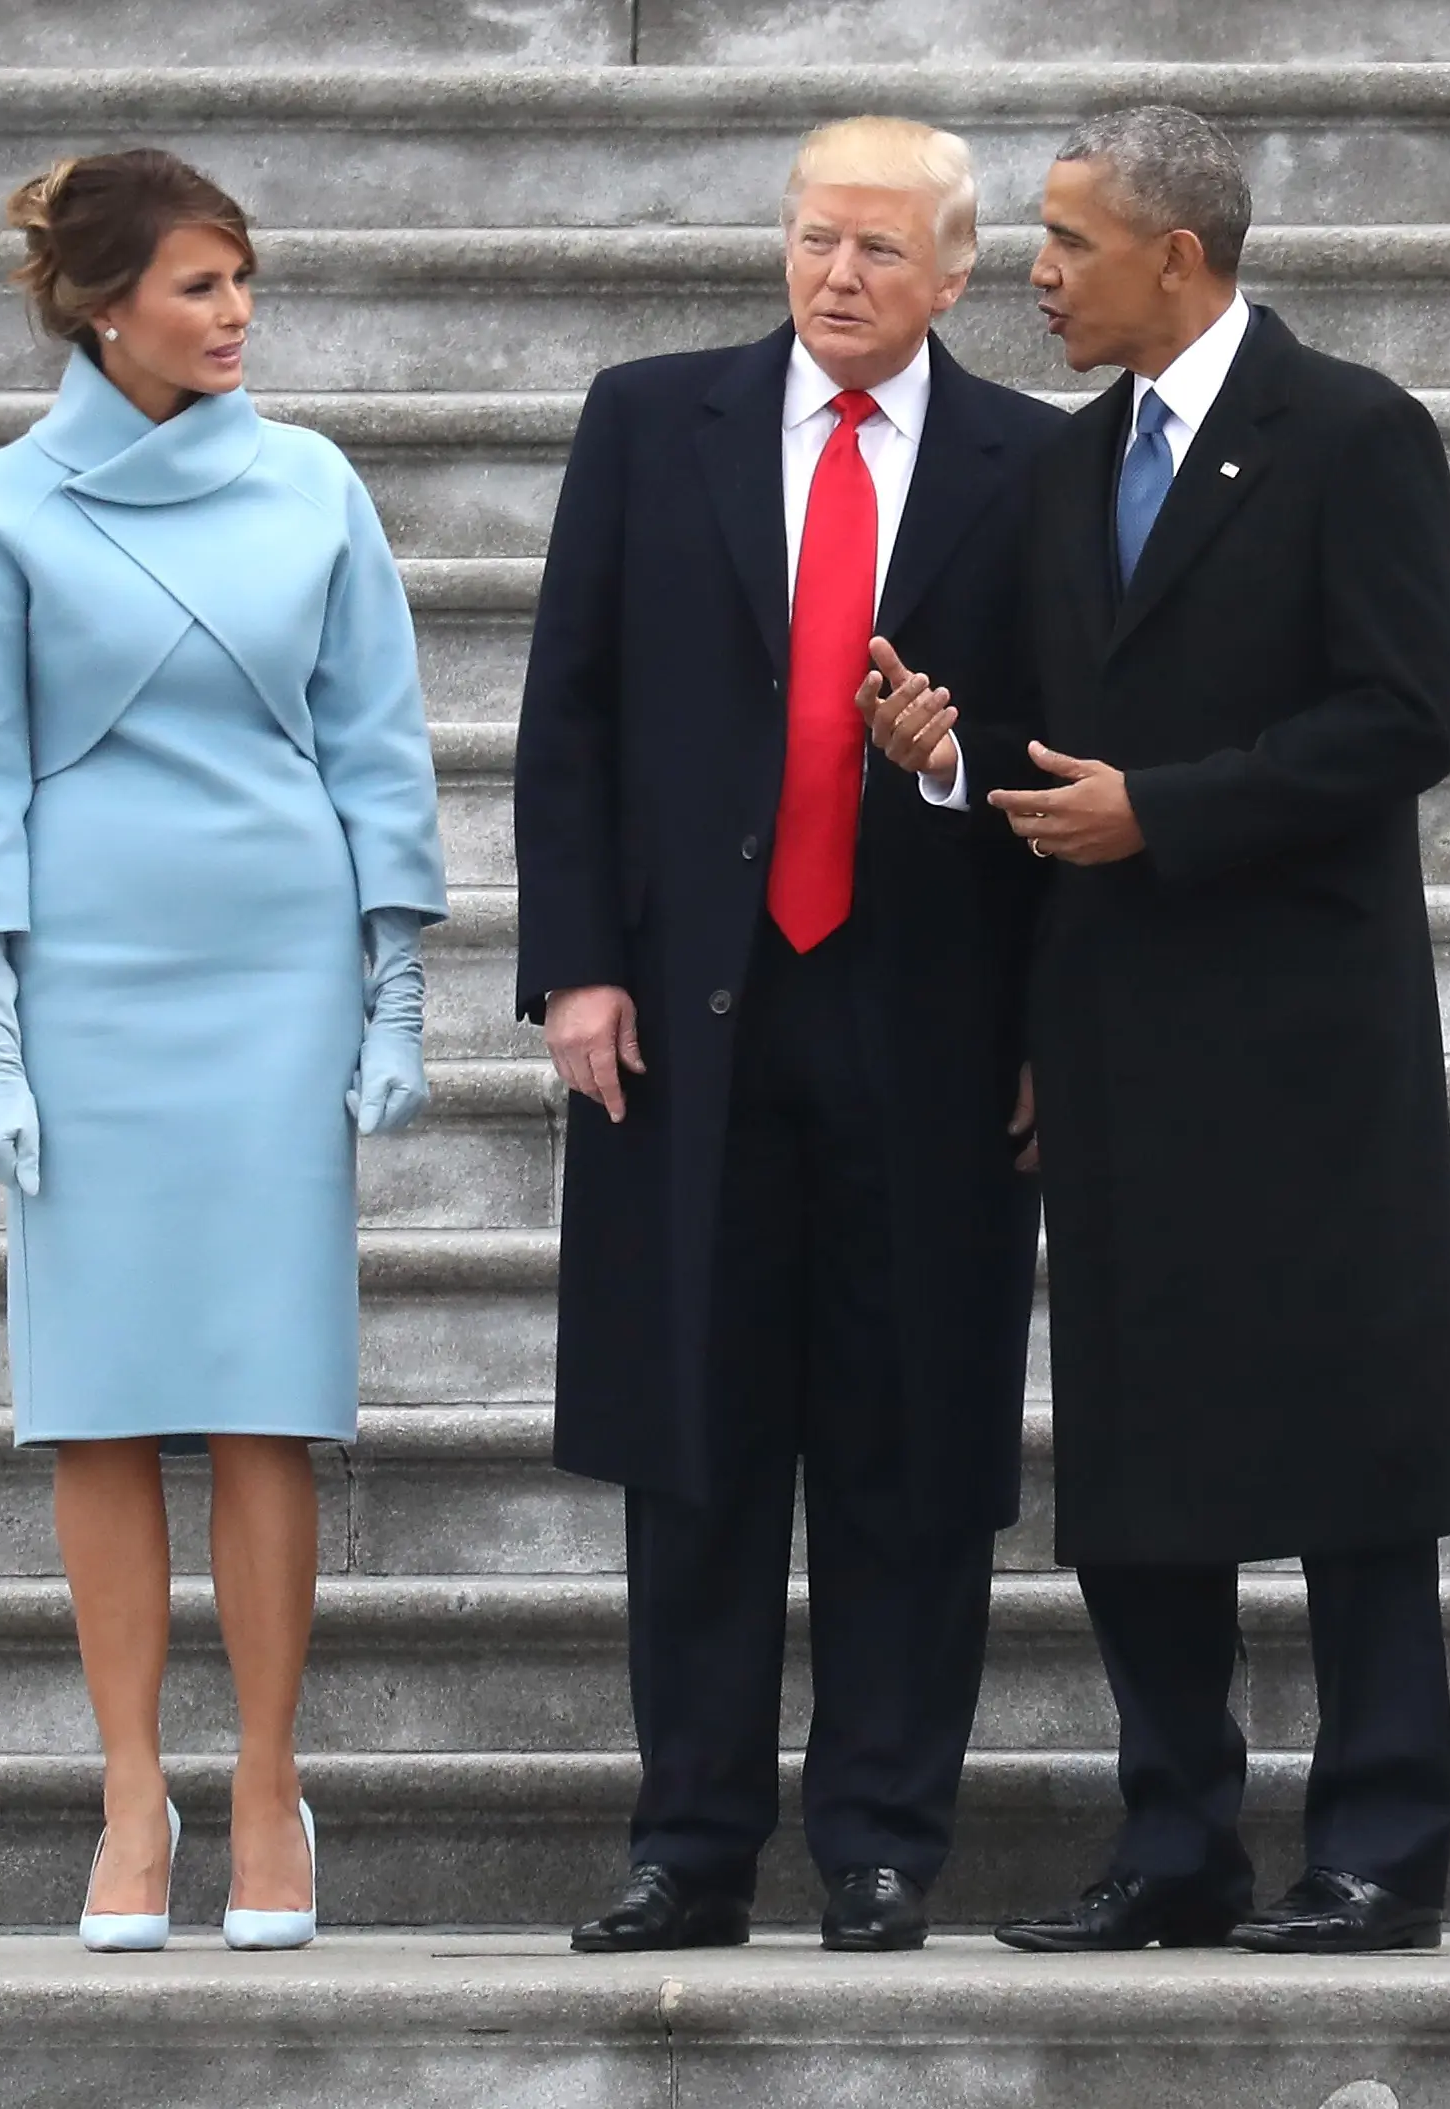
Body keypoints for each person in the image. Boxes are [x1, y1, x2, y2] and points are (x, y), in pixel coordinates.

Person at [865, 105, 1450, 1956]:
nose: (1032, 276)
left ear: (1178, 260)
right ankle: (1177, 1841)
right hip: (1117, 1029)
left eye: (1063, 242)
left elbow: (1403, 719)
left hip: (1306, 1036)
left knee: (1353, 1451)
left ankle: (1378, 1841)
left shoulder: (1354, 432)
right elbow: (1054, 730)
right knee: (1135, 1461)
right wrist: (954, 753)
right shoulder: (1065, 470)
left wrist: (1171, 811)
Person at [512, 117, 1060, 1955]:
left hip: (928, 1017)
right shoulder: (647, 418)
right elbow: (568, 712)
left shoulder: (1031, 463)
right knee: (699, 1443)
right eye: (818, 241)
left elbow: (1061, 750)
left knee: (912, 1451)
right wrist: (578, 967)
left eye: (883, 253)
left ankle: (888, 1839)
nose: (841, 277)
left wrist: (956, 766)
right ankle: (691, 1845)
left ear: (959, 274)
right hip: (690, 1020)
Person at [0, 149, 448, 1953]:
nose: (236, 316)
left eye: (245, 283)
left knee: (264, 1386)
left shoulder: (314, 487)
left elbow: (379, 743)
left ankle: (268, 1782)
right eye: (202, 286)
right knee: (98, 1394)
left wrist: (399, 989)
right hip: (90, 978)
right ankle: (132, 1790)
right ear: (101, 303)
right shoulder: (0, 508)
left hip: (274, 969)